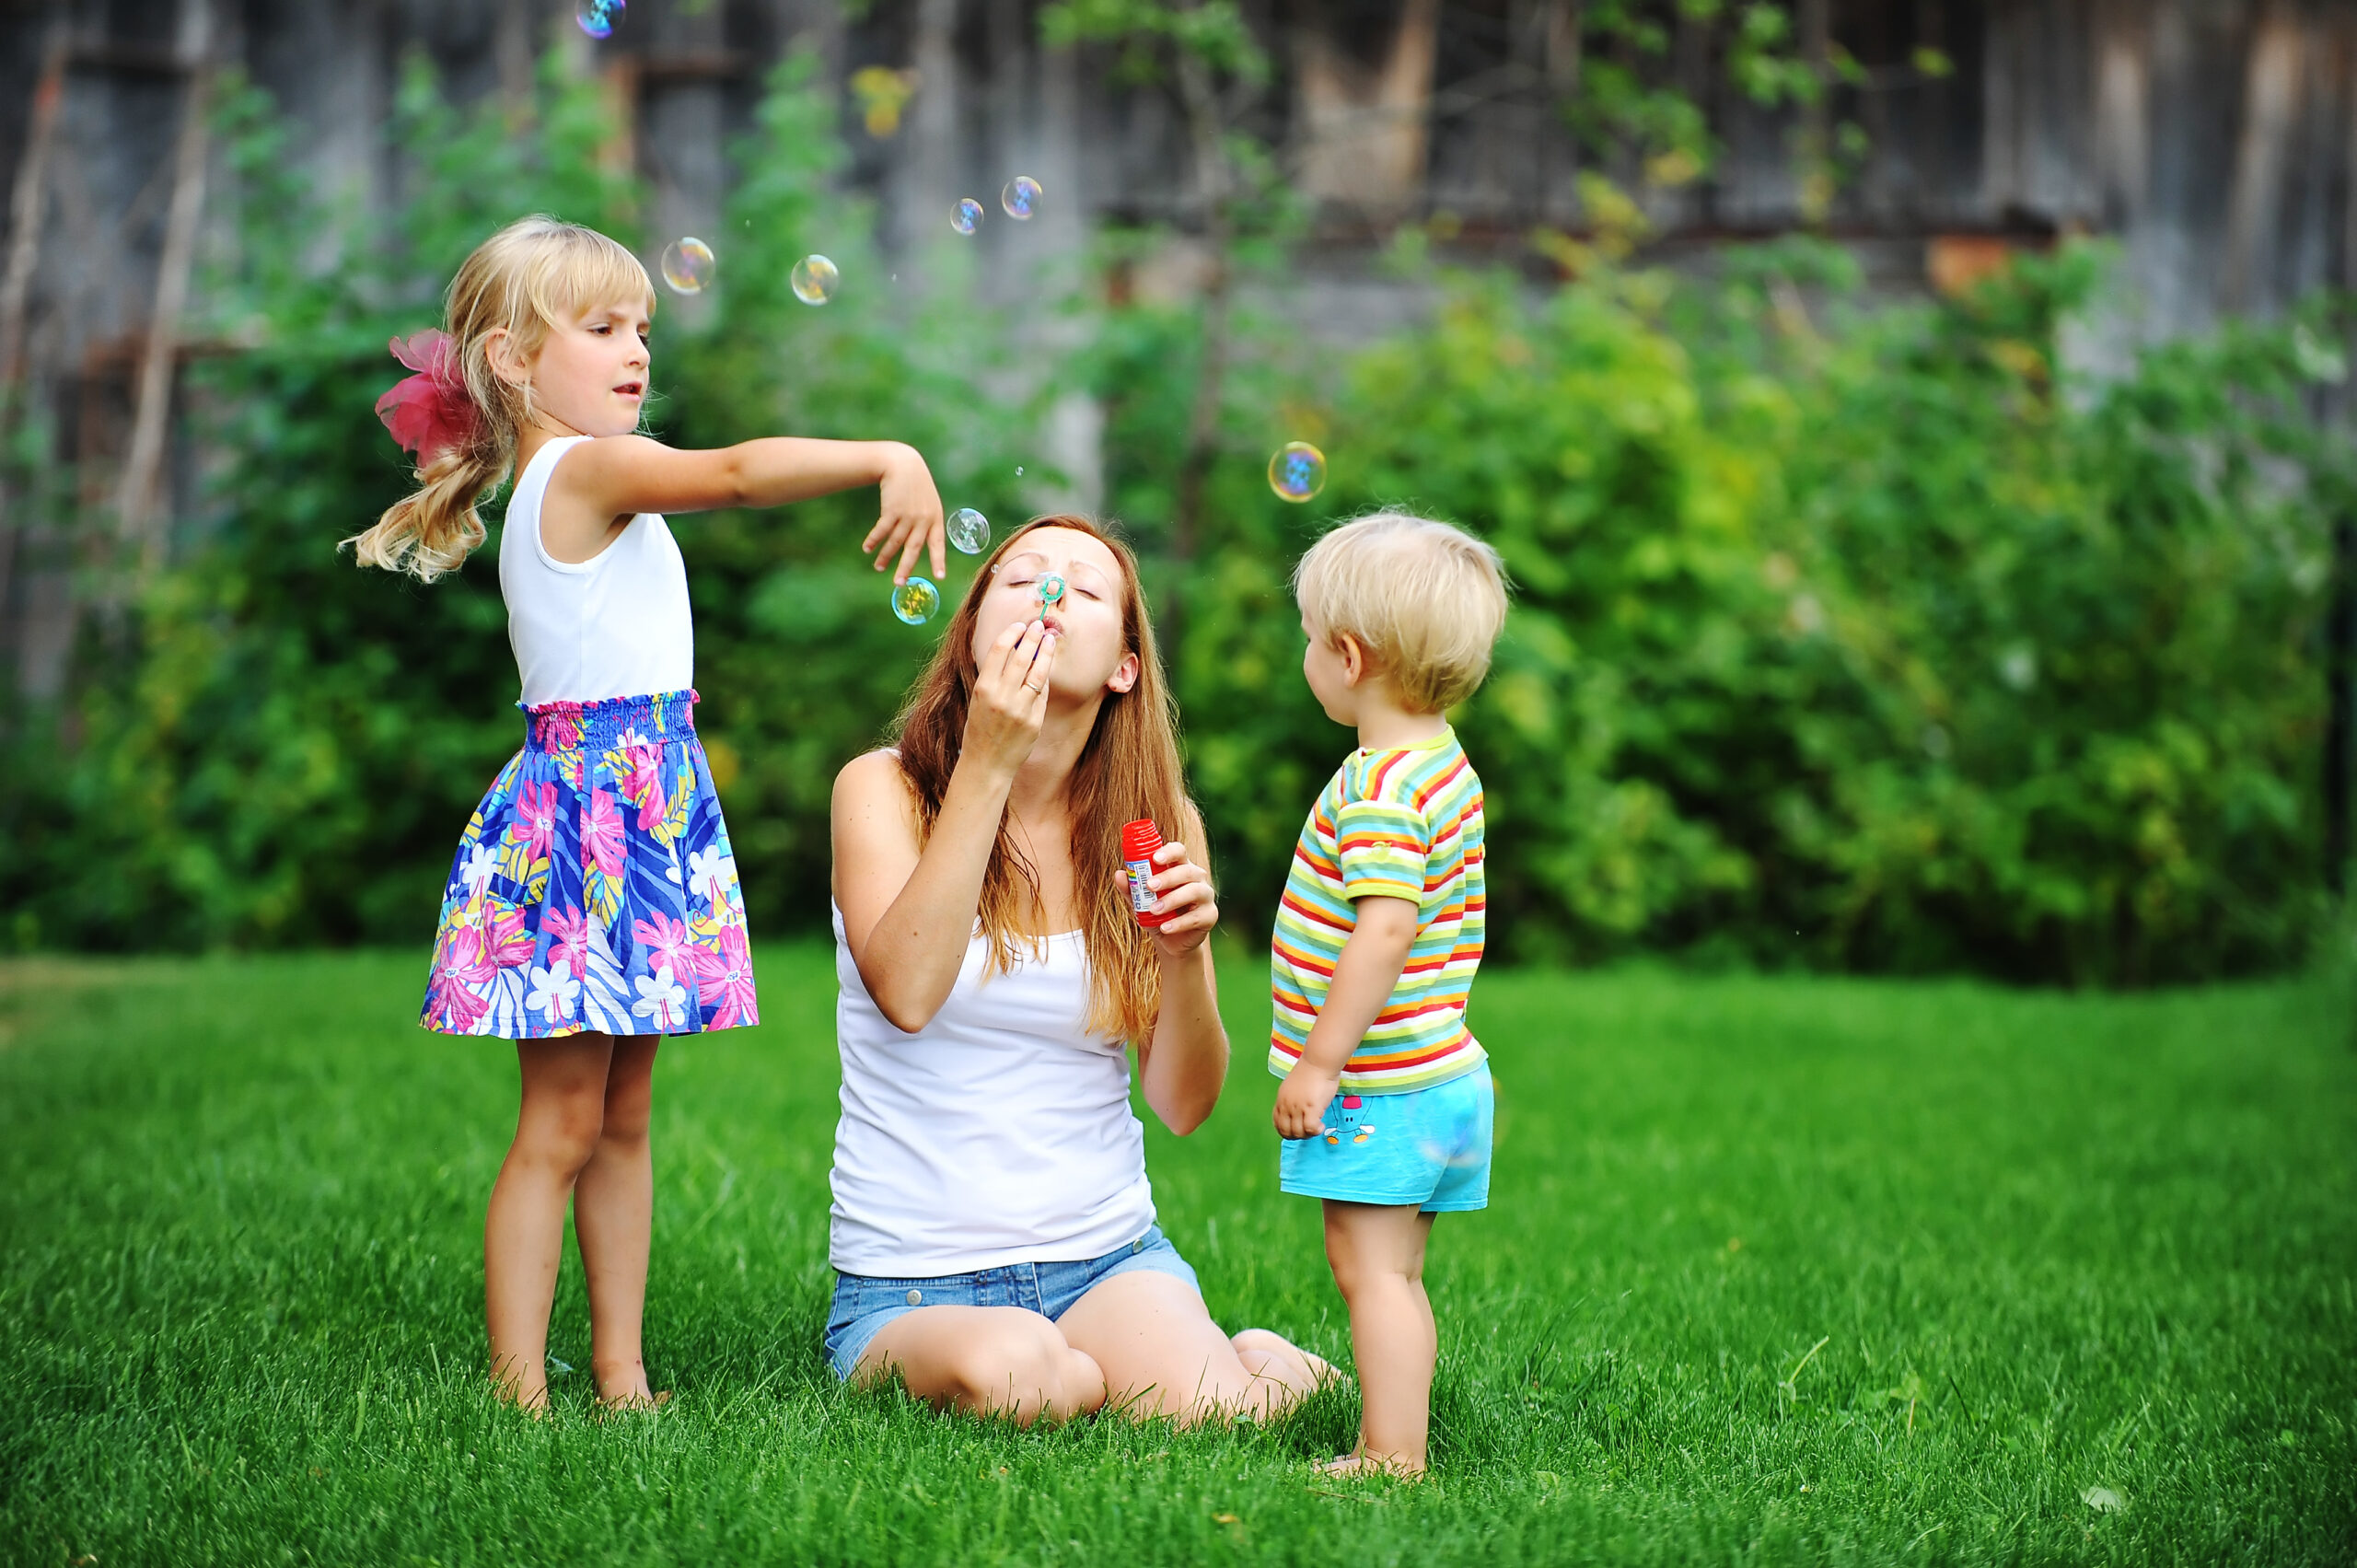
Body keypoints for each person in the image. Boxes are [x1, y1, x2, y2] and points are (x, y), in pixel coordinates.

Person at [350, 215, 946, 1411]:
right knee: (562, 1120)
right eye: (603, 326)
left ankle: (621, 1371)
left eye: (642, 328)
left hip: (640, 806)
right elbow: (729, 472)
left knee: (621, 1116)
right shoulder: (584, 469)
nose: (636, 350)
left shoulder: (572, 473)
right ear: (515, 360)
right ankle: (518, 1389)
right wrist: (887, 450)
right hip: (591, 822)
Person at [828, 514, 1332, 1424]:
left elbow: (1183, 1103)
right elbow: (905, 991)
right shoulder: (884, 788)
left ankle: (1250, 1364)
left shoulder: (1155, 824)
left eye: (1086, 589)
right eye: (1020, 579)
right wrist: (987, 761)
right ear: (973, 636)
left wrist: (1183, 961)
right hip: (908, 1281)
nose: (1050, 593)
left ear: (1123, 665)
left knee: (1213, 1414)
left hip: (1104, 1257)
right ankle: (1128, 1368)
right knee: (1017, 1376)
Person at [1269, 512, 1510, 1477]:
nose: (1304, 653)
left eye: (1307, 636)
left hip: (1381, 1087)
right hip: (1446, 1075)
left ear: (1350, 656)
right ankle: (1397, 1432)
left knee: (1370, 1272)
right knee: (1397, 1273)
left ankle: (1389, 1453)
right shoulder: (1442, 763)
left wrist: (1318, 1063)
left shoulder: (1377, 787)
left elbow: (1386, 927)